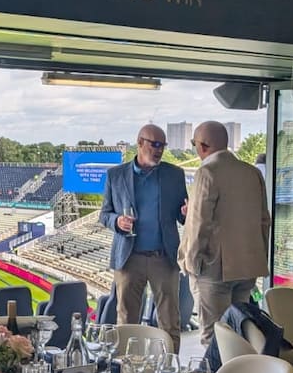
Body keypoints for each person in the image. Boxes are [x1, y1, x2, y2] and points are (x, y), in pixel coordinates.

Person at [178, 121, 271, 346]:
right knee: (238, 333)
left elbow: (200, 223)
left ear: (203, 145)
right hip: (247, 267)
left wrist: (190, 262)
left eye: (194, 144)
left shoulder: (207, 172)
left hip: (213, 269)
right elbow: (264, 220)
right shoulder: (251, 173)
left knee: (214, 337)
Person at [98, 124, 188, 351]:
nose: (159, 150)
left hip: (164, 258)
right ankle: (125, 370)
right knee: (127, 321)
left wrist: (187, 213)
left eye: (163, 145)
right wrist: (117, 221)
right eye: (154, 144)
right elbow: (104, 215)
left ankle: (169, 368)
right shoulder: (115, 175)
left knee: (169, 321)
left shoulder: (174, 175)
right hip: (129, 259)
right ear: (140, 143)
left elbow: (183, 215)